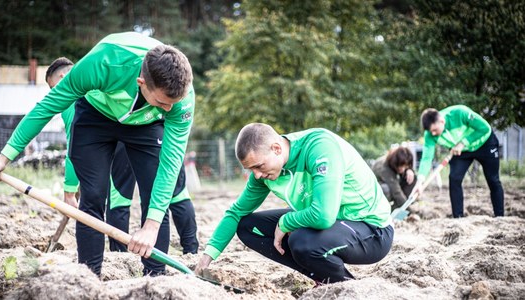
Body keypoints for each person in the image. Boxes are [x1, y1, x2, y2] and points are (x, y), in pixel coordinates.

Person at [0, 32, 195, 276]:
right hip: (96, 116)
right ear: (141, 82)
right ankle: (88, 277)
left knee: (154, 195)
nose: (170, 109)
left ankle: (156, 278)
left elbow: (170, 164)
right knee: (92, 197)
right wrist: (4, 157)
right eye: (163, 102)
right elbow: (48, 106)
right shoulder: (103, 62)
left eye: (173, 103)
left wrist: (151, 225)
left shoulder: (182, 98)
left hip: (146, 124)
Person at [195, 123, 394, 284]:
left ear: (276, 148)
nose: (256, 175)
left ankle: (344, 284)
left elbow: (323, 216)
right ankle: (320, 276)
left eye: (258, 166)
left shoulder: (319, 147)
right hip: (333, 223)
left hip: (372, 230)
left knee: (301, 240)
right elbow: (236, 212)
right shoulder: (264, 174)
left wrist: (286, 222)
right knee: (247, 227)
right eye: (251, 169)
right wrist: (206, 259)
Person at [45, 57, 198, 255]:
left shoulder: (77, 95)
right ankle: (191, 251)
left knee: (120, 197)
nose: (54, 93)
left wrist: (69, 191)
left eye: (52, 87)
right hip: (151, 135)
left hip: (132, 140)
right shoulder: (103, 77)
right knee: (174, 194)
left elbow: (74, 148)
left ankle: (119, 254)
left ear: (63, 77)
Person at [418, 105, 504, 218]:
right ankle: (458, 218)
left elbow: (485, 128)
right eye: (431, 131)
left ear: (442, 121)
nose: (433, 134)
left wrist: (463, 142)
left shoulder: (460, 113)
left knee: (493, 179)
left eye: (435, 130)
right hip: (461, 151)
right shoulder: (430, 134)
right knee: (454, 178)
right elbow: (426, 158)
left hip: (484, 143)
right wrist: (420, 181)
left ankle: (499, 216)